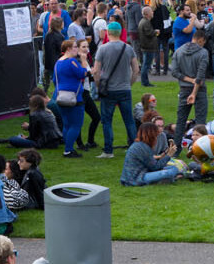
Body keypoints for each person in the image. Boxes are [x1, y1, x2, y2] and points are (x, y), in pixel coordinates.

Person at [95, 21, 140, 159]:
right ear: (120, 33)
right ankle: (134, 148)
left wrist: (98, 85)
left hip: (108, 90)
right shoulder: (128, 48)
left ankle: (108, 151)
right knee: (129, 120)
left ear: (108, 33)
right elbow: (136, 69)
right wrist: (129, 83)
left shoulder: (102, 49)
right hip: (125, 89)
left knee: (107, 121)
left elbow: (96, 71)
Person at [53, 38, 92, 157]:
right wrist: (84, 61)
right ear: (69, 49)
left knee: (67, 124)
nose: (77, 49)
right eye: (75, 47)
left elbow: (55, 80)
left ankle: (67, 147)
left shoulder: (58, 62)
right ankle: (68, 149)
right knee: (76, 124)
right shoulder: (72, 61)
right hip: (74, 97)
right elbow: (83, 74)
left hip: (60, 96)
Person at [171, 28, 210, 141]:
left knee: (181, 120)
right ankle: (200, 147)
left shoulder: (178, 51)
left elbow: (174, 72)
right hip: (199, 90)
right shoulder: (203, 52)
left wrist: (188, 79)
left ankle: (175, 148)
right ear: (201, 40)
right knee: (200, 121)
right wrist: (194, 90)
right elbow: (200, 75)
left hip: (183, 88)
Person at [123, 121, 180, 186]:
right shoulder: (143, 147)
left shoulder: (140, 145)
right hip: (136, 178)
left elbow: (152, 164)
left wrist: (165, 154)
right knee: (172, 170)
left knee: (172, 168)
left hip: (134, 175)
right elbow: (155, 167)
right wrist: (169, 155)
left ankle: (165, 179)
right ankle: (166, 179)